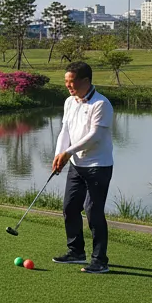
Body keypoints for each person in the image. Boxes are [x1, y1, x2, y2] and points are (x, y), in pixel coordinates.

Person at [51, 61, 115, 274]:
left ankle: (100, 260)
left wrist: (68, 152)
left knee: (92, 211)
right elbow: (65, 131)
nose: (68, 86)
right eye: (66, 82)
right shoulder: (70, 102)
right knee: (70, 208)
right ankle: (76, 252)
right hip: (76, 166)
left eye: (72, 82)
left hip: (98, 165)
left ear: (85, 81)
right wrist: (59, 154)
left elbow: (94, 136)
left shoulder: (101, 104)